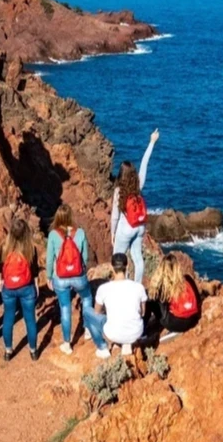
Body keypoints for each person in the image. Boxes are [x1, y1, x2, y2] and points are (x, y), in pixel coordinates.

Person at [111, 128, 159, 284]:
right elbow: (145, 163)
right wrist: (152, 141)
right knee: (138, 259)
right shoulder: (138, 185)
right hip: (139, 226)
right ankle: (137, 287)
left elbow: (115, 216)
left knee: (118, 259)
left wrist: (112, 234)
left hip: (125, 229)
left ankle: (120, 286)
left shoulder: (119, 191)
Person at [46, 203, 93, 355]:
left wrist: (48, 276)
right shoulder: (80, 232)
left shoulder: (53, 235)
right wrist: (82, 269)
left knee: (65, 307)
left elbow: (49, 259)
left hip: (60, 277)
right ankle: (87, 330)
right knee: (86, 298)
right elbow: (85, 256)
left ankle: (67, 343)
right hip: (78, 275)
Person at [83, 253, 147, 359]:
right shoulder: (139, 287)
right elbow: (143, 312)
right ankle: (127, 343)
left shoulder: (103, 288)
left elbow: (97, 312)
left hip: (113, 333)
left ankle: (102, 347)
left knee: (87, 312)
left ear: (112, 268)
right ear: (127, 267)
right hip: (136, 332)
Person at [0, 219, 40, 361]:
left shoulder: (4, 247)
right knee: (30, 319)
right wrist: (36, 285)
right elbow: (34, 271)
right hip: (27, 287)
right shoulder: (30, 249)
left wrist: (1, 281)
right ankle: (33, 351)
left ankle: (8, 351)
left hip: (9, 287)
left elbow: (0, 268)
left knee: (8, 318)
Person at [144, 253, 201, 337]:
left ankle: (143, 328)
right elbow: (198, 299)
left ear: (162, 268)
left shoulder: (163, 286)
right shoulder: (188, 279)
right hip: (193, 319)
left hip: (175, 324)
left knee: (150, 300)